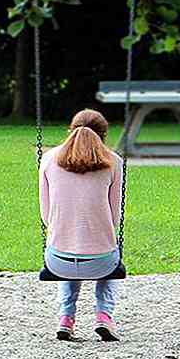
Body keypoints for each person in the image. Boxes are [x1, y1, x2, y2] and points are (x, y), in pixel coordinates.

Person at [38, 109, 123, 342]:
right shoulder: (114, 162)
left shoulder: (48, 159)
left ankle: (66, 318)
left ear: (70, 131)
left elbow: (46, 217)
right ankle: (104, 315)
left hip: (58, 262)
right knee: (108, 250)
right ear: (103, 135)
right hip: (102, 263)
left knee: (67, 244)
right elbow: (114, 219)